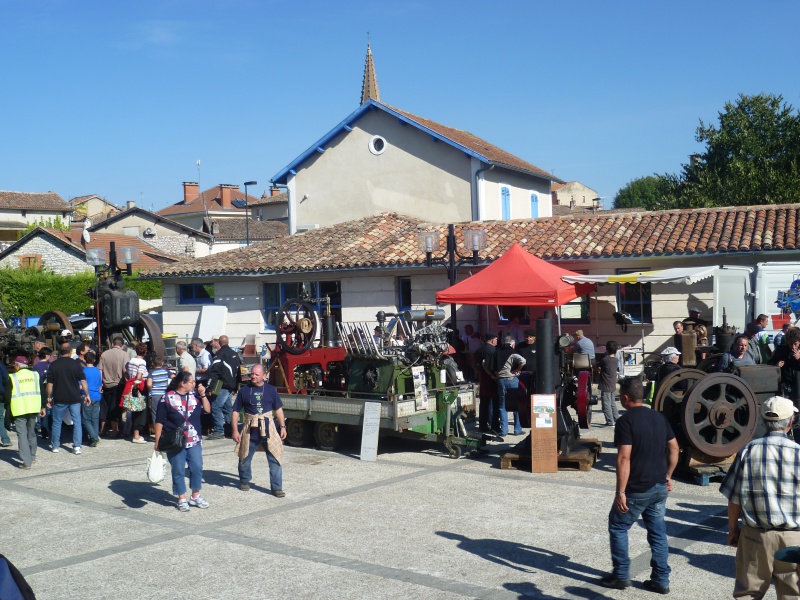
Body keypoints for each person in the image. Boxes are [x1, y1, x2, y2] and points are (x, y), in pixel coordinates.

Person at [600, 377, 679, 593]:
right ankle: (661, 580)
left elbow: (624, 458)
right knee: (658, 534)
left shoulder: (626, 421)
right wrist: (669, 475)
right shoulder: (659, 417)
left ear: (625, 398)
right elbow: (674, 448)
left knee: (618, 526)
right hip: (659, 486)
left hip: (637, 488)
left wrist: (620, 492)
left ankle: (621, 575)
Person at [720, 396, 800, 599]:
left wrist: (732, 530)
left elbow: (734, 498)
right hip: (793, 537)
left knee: (748, 593)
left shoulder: (748, 450)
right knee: (793, 594)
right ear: (790, 422)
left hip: (755, 535)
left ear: (764, 421)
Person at [154, 372, 211, 512]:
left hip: (194, 439)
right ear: (182, 383)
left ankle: (196, 495)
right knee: (178, 470)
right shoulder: (166, 398)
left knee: (197, 467)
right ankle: (181, 498)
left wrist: (203, 394)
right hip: (175, 441)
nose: (194, 384)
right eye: (191, 382)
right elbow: (159, 421)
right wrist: (157, 441)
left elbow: (208, 410)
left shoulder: (195, 396)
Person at [232, 364, 287, 497]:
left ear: (264, 376)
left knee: (275, 457)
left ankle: (276, 487)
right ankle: (245, 480)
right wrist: (235, 430)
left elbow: (278, 409)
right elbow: (235, 411)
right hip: (250, 427)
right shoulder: (244, 391)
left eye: (256, 374)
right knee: (244, 456)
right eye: (252, 374)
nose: (253, 376)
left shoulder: (271, 390)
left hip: (268, 426)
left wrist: (282, 426)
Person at [46, 343, 90, 454]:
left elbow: (50, 384)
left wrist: (48, 397)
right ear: (70, 352)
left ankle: (55, 445)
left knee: (57, 422)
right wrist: (87, 395)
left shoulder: (53, 365)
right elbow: (83, 381)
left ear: (60, 352)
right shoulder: (76, 365)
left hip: (59, 397)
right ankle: (77, 446)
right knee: (77, 422)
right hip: (74, 397)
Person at [485, 335, 525, 436]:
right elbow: (523, 361)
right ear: (512, 344)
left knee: (502, 406)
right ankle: (517, 430)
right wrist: (518, 369)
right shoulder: (512, 353)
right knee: (517, 405)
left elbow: (485, 364)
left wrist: (491, 375)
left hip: (500, 380)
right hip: (512, 380)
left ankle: (504, 431)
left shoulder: (496, 352)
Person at [8, 356, 43, 469]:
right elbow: (41, 390)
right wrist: (42, 407)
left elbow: (8, 396)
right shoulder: (35, 375)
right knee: (31, 432)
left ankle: (27, 462)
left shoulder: (12, 377)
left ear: (17, 365)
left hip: (19, 409)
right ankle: (32, 456)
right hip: (33, 408)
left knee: (22, 435)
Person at [207, 334, 242, 439]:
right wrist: (236, 386)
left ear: (219, 343)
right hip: (231, 385)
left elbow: (215, 371)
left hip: (221, 384)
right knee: (228, 408)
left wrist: (209, 387)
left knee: (216, 406)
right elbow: (238, 371)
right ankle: (230, 428)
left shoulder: (220, 354)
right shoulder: (235, 354)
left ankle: (219, 430)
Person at [98, 336, 128, 438]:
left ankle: (102, 430)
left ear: (112, 344)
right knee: (114, 408)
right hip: (118, 384)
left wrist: (100, 383)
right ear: (122, 345)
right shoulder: (124, 355)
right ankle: (115, 430)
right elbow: (125, 371)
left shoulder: (104, 354)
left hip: (106, 384)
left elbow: (100, 370)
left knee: (104, 407)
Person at [124, 342, 149, 444]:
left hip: (131, 385)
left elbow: (126, 373)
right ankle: (136, 435)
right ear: (145, 351)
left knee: (134, 410)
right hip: (139, 387)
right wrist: (136, 384)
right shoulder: (142, 362)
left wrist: (129, 382)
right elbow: (139, 376)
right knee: (140, 411)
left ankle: (135, 433)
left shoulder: (131, 360)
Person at [769, 327, 800, 408]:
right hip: (785, 386)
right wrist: (776, 365)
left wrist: (798, 359)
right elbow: (770, 363)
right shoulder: (781, 349)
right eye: (790, 344)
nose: (793, 347)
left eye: (795, 344)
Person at [475, 333, 499, 433]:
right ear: (492, 340)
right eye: (496, 339)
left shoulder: (479, 349)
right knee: (495, 403)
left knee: (484, 403)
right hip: (492, 379)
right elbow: (495, 365)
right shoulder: (493, 350)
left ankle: (483, 426)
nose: (497, 341)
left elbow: (475, 364)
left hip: (482, 378)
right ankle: (494, 425)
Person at [81, 351, 103, 447]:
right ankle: (95, 436)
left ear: (85, 360)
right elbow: (99, 384)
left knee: (86, 419)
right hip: (97, 395)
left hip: (87, 396)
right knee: (95, 419)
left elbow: (81, 386)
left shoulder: (83, 371)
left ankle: (94, 437)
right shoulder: (97, 370)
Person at [597, 341, 619, 426]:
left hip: (605, 384)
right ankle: (616, 418)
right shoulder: (615, 360)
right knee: (612, 403)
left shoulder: (604, 360)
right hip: (612, 384)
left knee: (606, 403)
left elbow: (599, 368)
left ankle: (610, 421)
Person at [147, 356, 172, 429]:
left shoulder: (152, 372)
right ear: (162, 363)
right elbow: (174, 377)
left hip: (155, 395)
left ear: (153, 364)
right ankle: (165, 430)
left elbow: (148, 384)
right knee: (165, 413)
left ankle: (157, 432)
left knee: (155, 414)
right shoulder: (166, 371)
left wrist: (150, 390)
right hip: (164, 395)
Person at [33, 347, 53, 439]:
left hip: (40, 390)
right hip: (50, 389)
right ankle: (51, 431)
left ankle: (44, 431)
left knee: (42, 409)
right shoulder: (51, 365)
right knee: (51, 411)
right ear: (47, 355)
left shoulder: (35, 367)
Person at [0, 356, 11, 448]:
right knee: (0, 417)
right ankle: (5, 439)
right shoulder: (1, 365)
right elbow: (6, 379)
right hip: (0, 393)